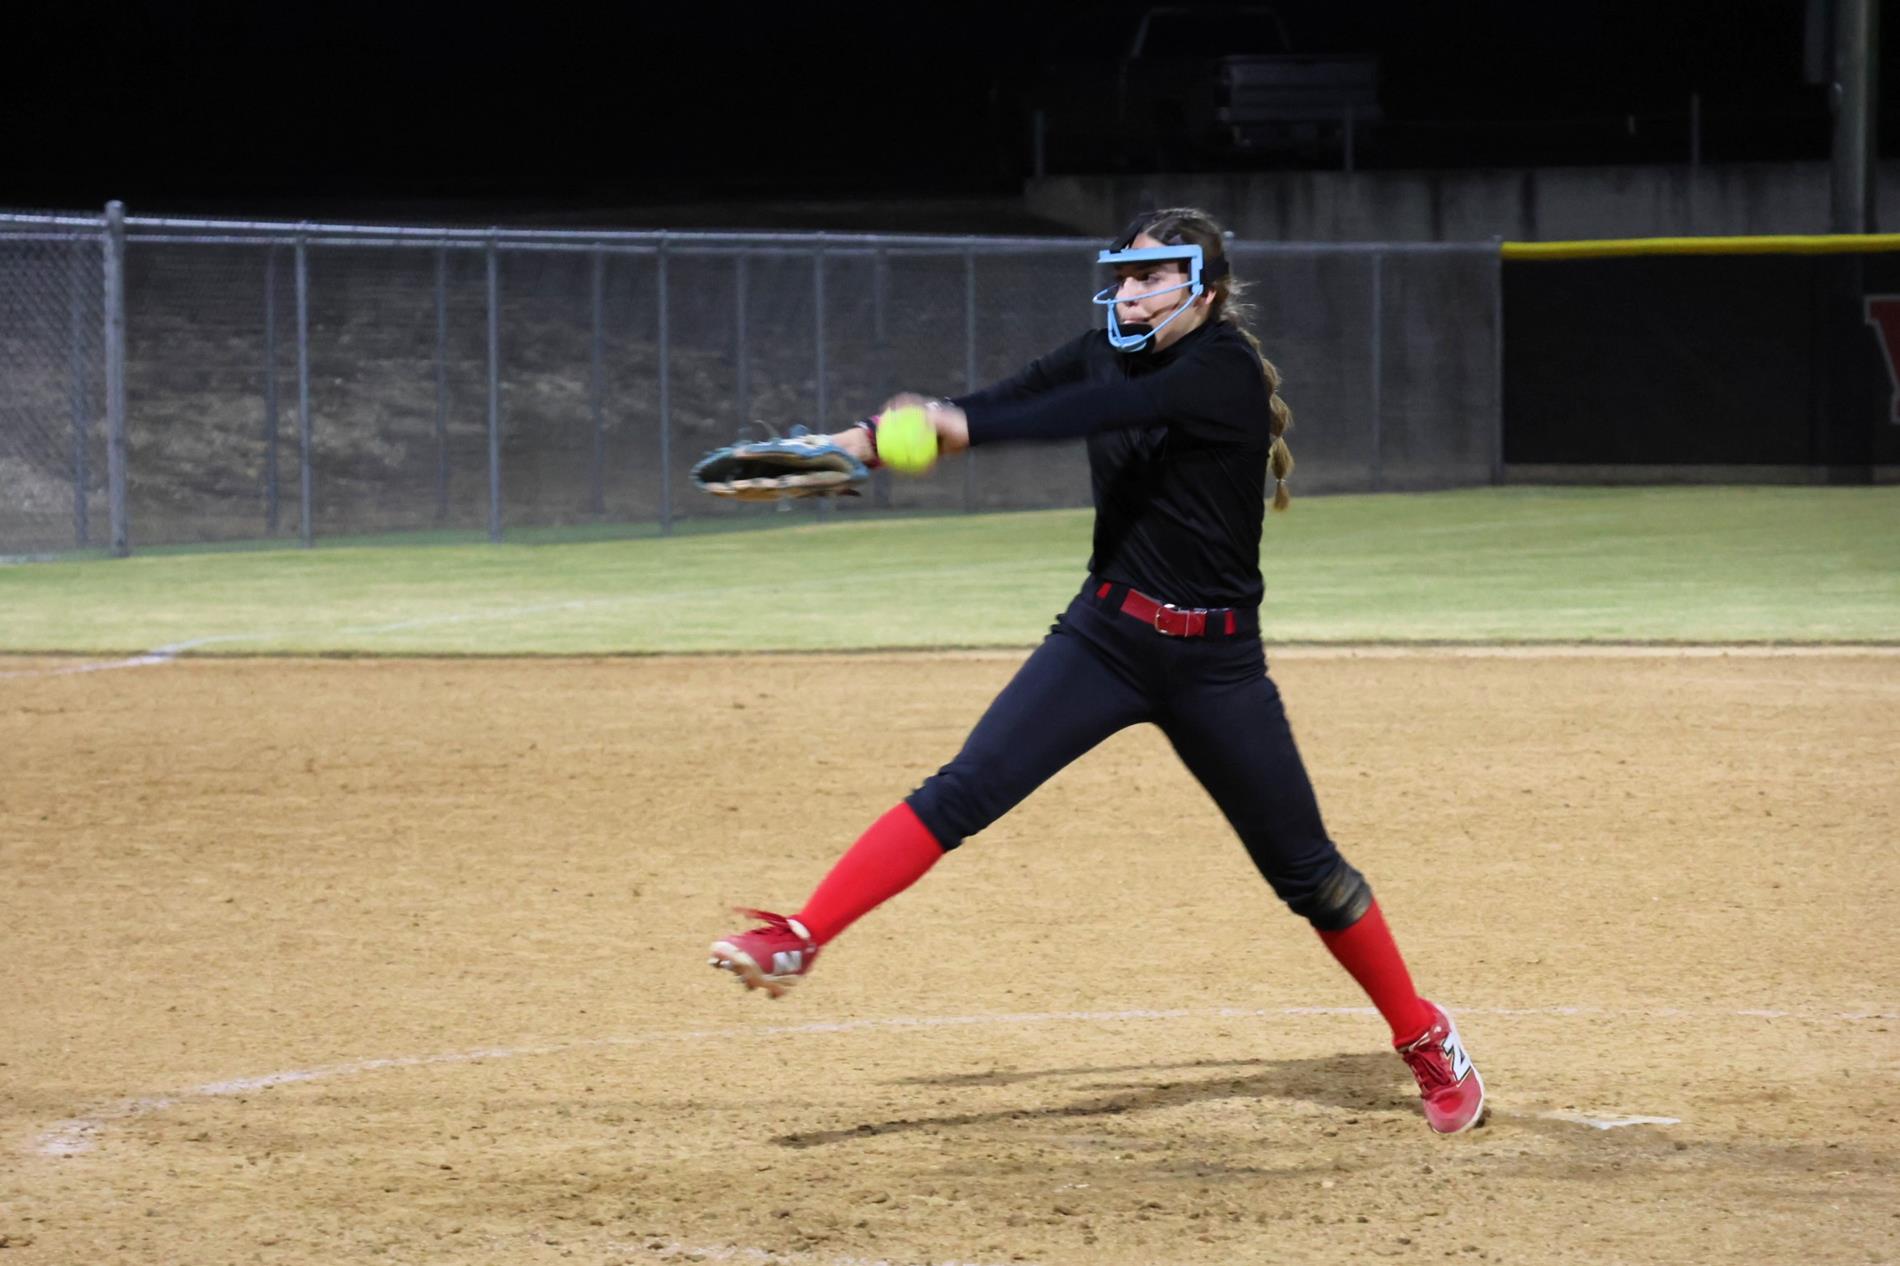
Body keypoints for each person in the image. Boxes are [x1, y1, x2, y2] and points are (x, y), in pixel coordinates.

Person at [707, 208, 1486, 1134]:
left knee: (1308, 874)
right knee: (964, 789)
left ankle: (1424, 1034)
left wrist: (954, 428)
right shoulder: (1099, 352)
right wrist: (858, 441)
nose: (1128, 293)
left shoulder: (1222, 370)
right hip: (1104, 641)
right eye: (1121, 277)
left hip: (1216, 666)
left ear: (1205, 289)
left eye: (1150, 277)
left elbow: (1081, 413)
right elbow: (1003, 398)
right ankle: (800, 938)